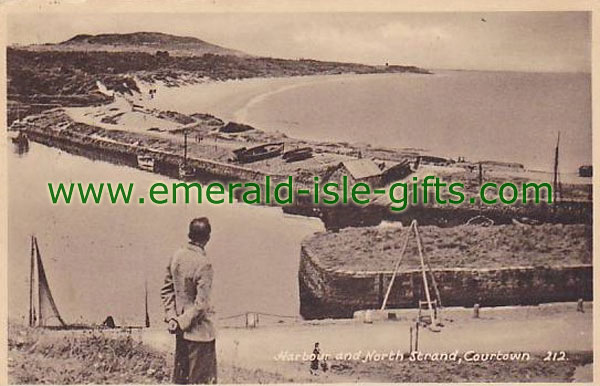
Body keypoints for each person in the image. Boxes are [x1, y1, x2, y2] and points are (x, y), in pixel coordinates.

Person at [161, 217, 217, 384]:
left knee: (181, 380)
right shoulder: (204, 264)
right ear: (208, 238)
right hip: (200, 335)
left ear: (189, 234)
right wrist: (182, 322)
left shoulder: (176, 256)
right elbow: (201, 305)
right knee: (201, 381)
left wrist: (173, 318)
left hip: (180, 333)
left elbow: (167, 290)